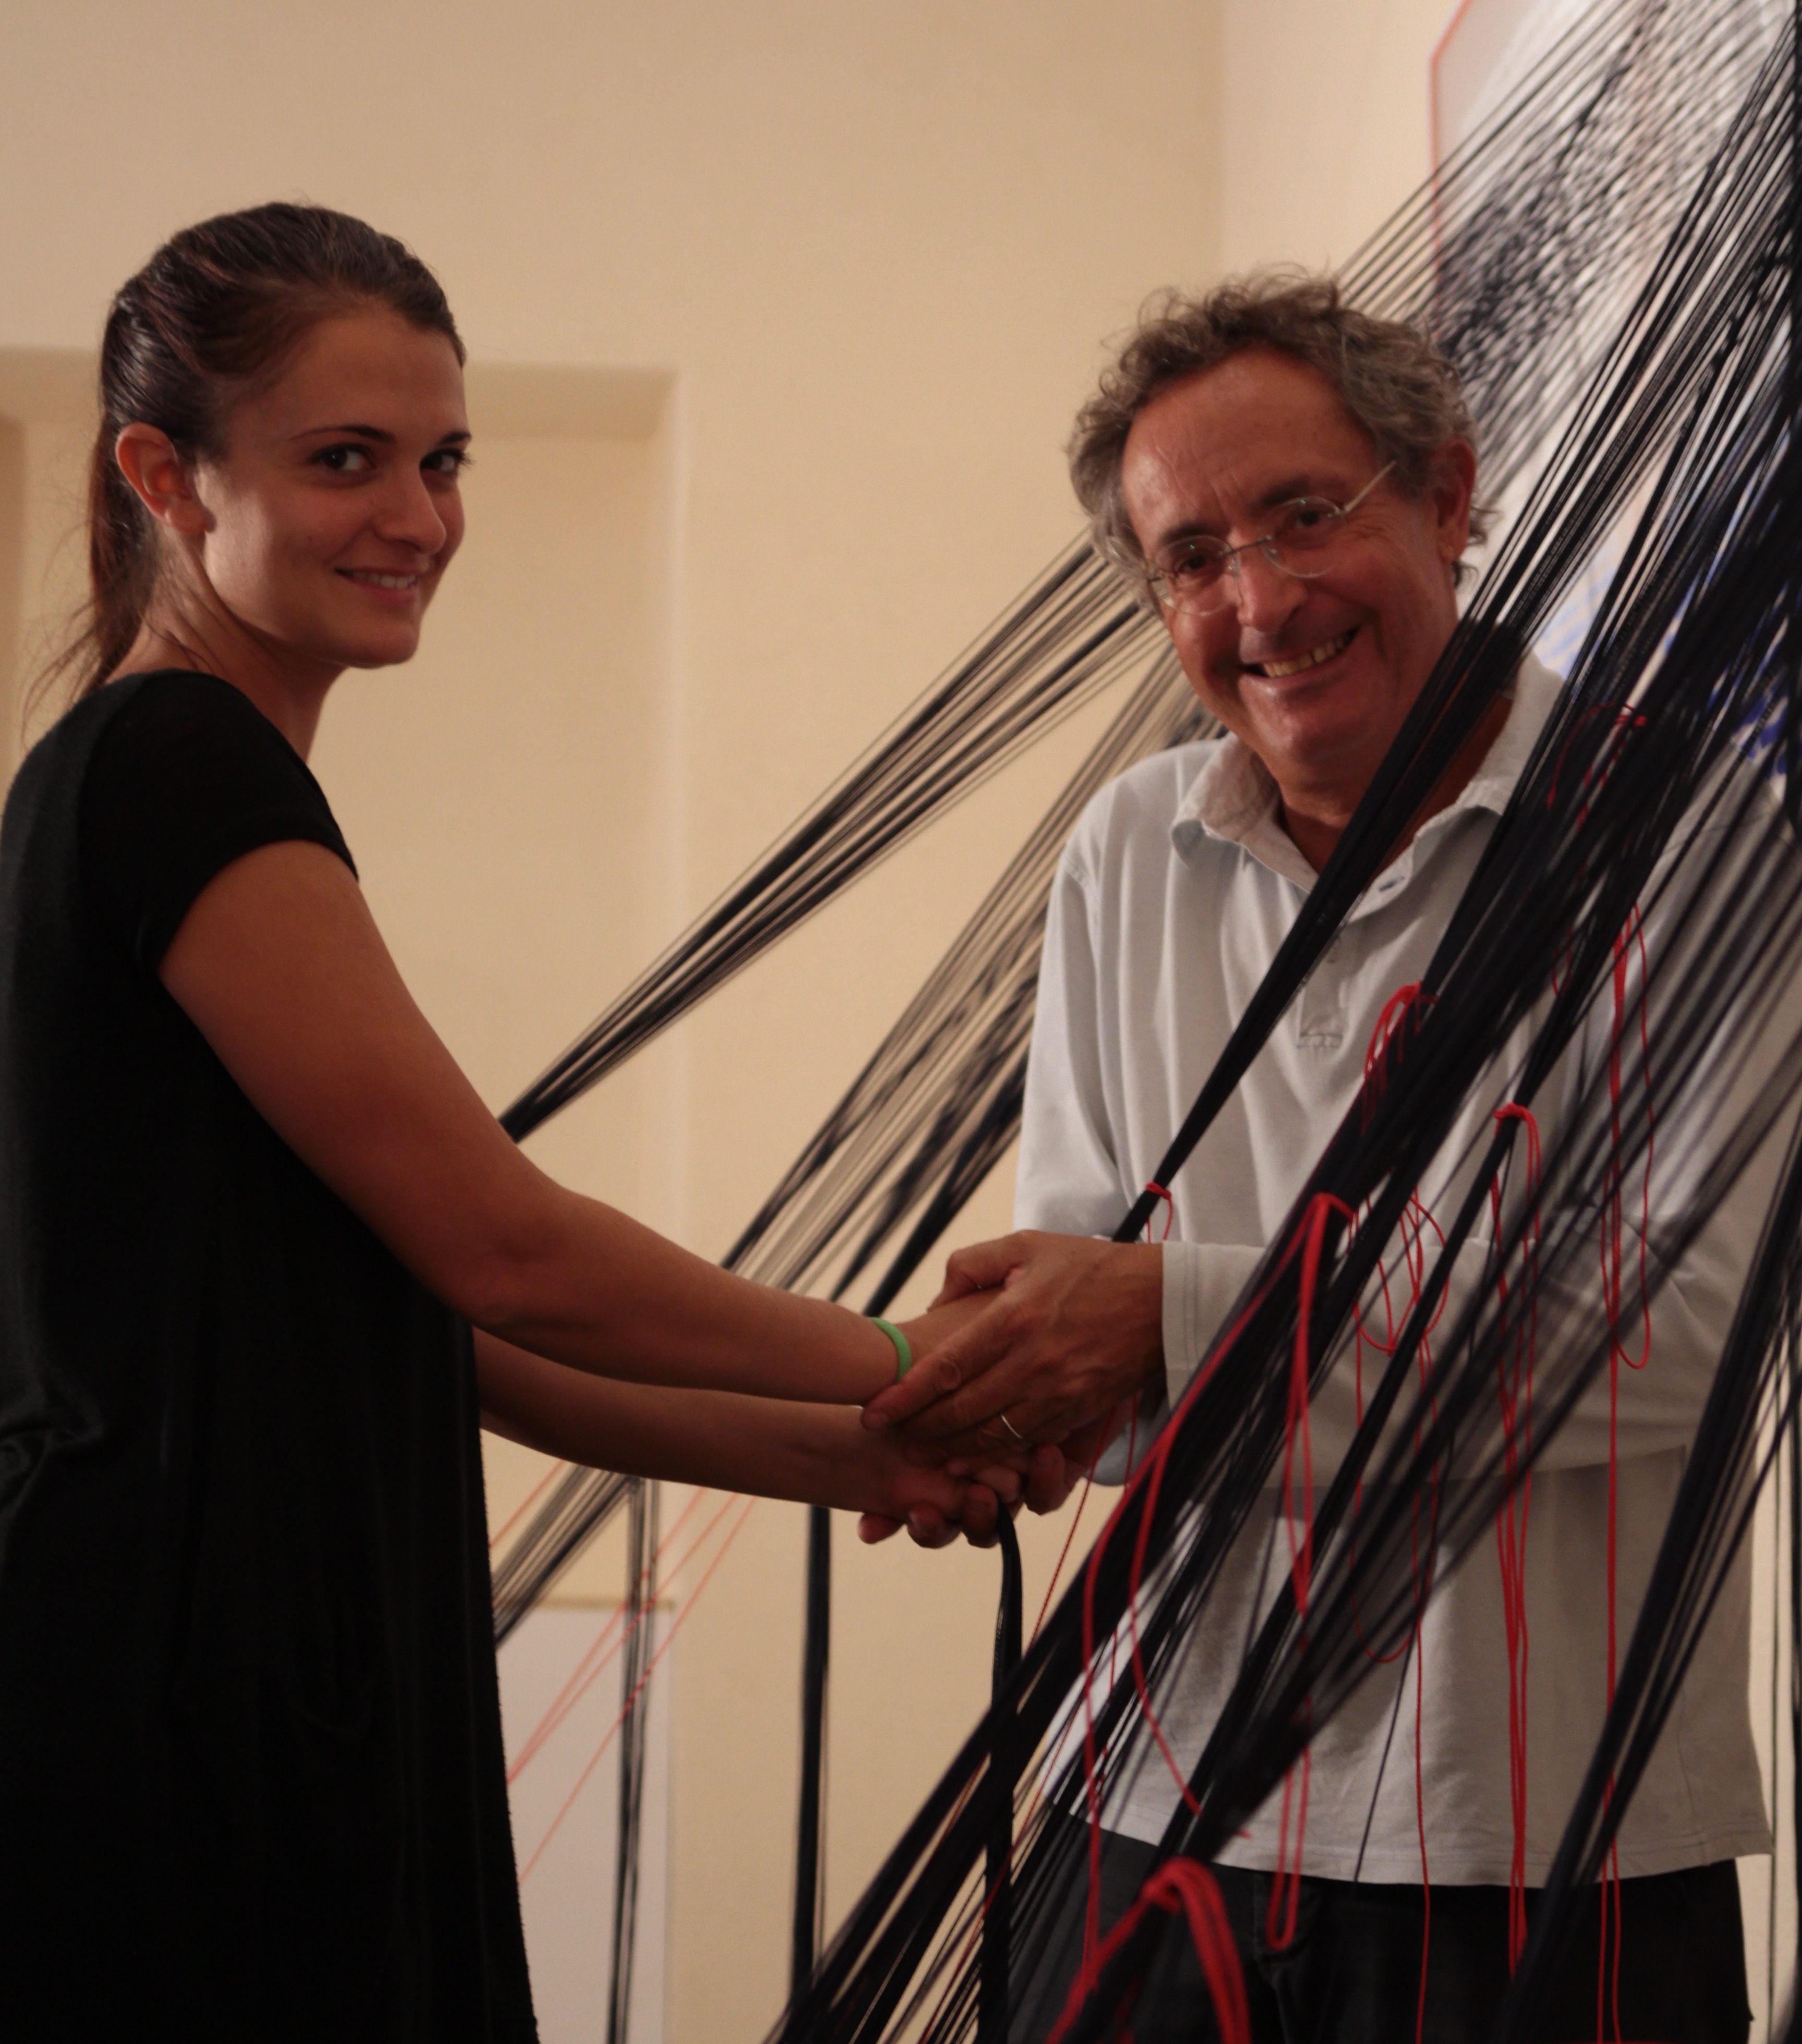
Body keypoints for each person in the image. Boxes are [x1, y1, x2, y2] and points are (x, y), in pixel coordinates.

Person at [0, 203, 1061, 2041]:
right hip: (183, 1696)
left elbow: (444, 1336)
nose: (417, 518)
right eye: (347, 460)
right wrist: (924, 1360)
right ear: (164, 476)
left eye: (443, 461)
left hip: (238, 1662)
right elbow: (508, 1250)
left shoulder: (151, 770)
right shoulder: (179, 765)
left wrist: (862, 1457)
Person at [863, 274, 1777, 2041]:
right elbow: (1087, 1329)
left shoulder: (1681, 831)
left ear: (1449, 496)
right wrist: (999, 1393)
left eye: (1305, 515)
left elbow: (1682, 1327)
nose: (1262, 602)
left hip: (1543, 1850)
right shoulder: (1128, 855)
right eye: (1193, 557)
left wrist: (1162, 1326)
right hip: (1150, 1797)